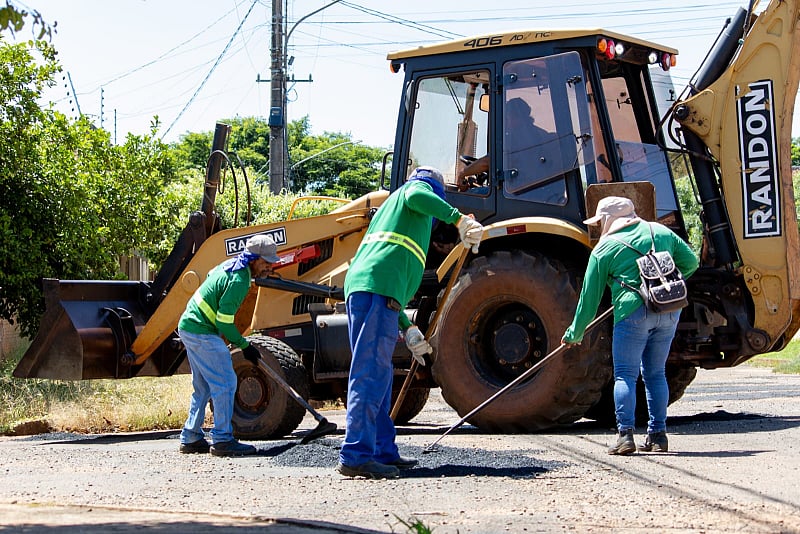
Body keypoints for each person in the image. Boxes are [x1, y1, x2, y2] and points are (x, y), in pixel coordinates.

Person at [338, 166, 484, 479]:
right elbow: (418, 192)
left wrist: (409, 327)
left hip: (377, 292)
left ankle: (382, 451)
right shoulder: (414, 191)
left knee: (380, 375)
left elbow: (389, 282)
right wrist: (459, 219)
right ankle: (355, 455)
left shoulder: (396, 212)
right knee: (370, 374)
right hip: (375, 290)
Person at [562, 196, 698, 455]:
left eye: (601, 220)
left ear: (608, 219)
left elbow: (588, 301)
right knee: (655, 373)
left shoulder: (604, 249)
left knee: (625, 374)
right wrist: (663, 285)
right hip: (669, 309)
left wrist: (574, 333)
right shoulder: (660, 231)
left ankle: (625, 435)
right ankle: (658, 436)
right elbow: (690, 263)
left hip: (632, 312)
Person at [177, 234, 281, 457]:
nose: (269, 267)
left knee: (204, 385)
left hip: (189, 326)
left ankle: (191, 436)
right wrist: (244, 346)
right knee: (225, 381)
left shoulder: (230, 264)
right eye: (266, 262)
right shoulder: (240, 280)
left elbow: (210, 277)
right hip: (201, 331)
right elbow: (224, 322)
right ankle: (223, 440)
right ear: (254, 259)